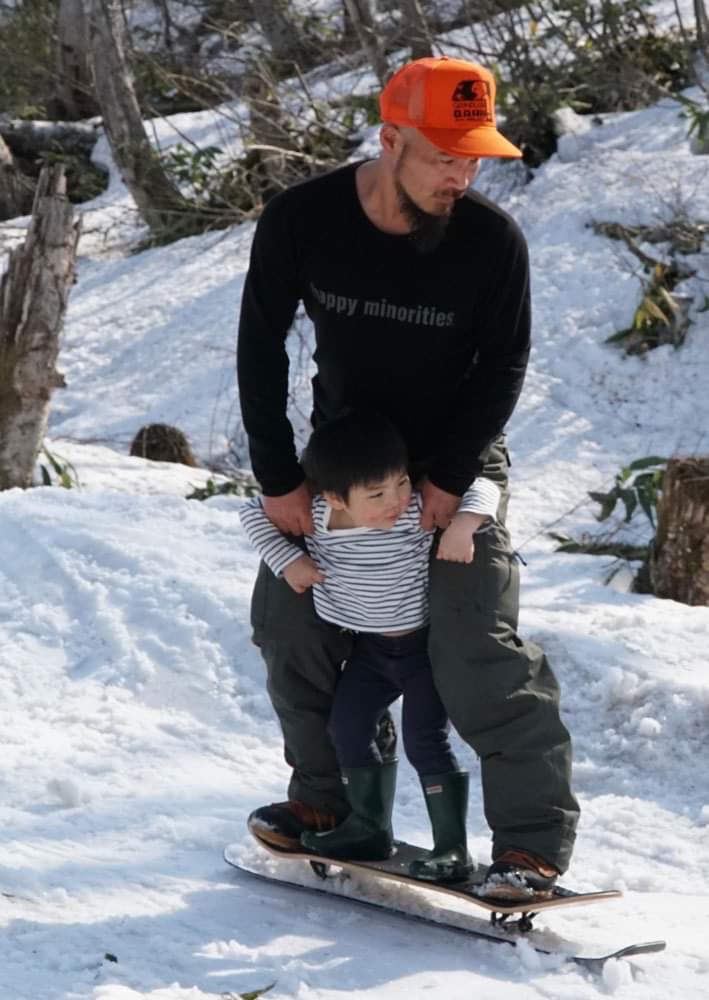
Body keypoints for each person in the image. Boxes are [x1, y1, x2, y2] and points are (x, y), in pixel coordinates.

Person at [237, 55, 580, 898]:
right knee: (292, 624)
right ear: (389, 140)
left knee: (471, 642)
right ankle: (327, 803)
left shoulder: (491, 242)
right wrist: (279, 479)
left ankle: (528, 847)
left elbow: (504, 366)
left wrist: (452, 480)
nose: (461, 177)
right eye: (444, 157)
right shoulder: (302, 219)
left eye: (473, 160)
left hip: (455, 458)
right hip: (342, 465)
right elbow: (260, 343)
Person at [240, 410, 500, 882]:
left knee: (426, 741)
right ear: (336, 498)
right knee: (347, 729)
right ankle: (369, 828)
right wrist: (288, 561)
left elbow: (484, 487)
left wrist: (463, 526)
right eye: (377, 495)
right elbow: (253, 513)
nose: (396, 500)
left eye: (401, 483)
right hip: (370, 656)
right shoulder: (318, 518)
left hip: (421, 655)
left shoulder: (413, 514)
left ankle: (452, 849)